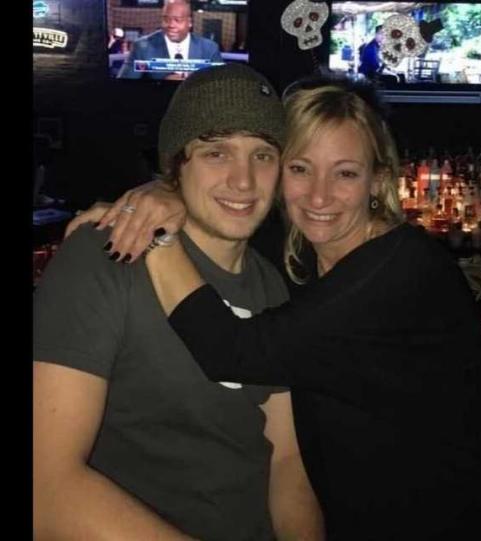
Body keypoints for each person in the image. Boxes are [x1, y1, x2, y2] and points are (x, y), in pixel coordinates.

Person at [73, 82, 481, 539]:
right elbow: (215, 200)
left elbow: (232, 351)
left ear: (380, 179)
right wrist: (163, 193)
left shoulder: (401, 271)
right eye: (300, 168)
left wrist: (159, 237)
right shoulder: (302, 250)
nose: (319, 196)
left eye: (345, 173)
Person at [34, 64, 324, 540]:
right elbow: (45, 491)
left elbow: (287, 462)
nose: (244, 181)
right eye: (216, 152)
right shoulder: (105, 256)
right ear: (175, 166)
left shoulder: (271, 283)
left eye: (263, 155)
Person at [118, 0, 223, 81]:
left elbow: (220, 86)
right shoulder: (142, 47)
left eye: (178, 20)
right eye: (166, 19)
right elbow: (125, 86)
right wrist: (162, 85)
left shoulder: (209, 49)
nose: (171, 25)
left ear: (189, 22)